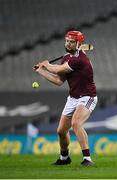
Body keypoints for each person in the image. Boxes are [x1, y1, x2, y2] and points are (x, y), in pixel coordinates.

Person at [33, 30, 98, 166]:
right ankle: (64, 157)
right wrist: (42, 71)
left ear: (79, 44)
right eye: (67, 41)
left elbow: (57, 69)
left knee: (76, 123)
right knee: (61, 131)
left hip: (87, 97)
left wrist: (46, 64)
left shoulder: (80, 59)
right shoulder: (67, 58)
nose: (68, 44)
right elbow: (58, 81)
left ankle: (87, 158)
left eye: (72, 42)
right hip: (73, 98)